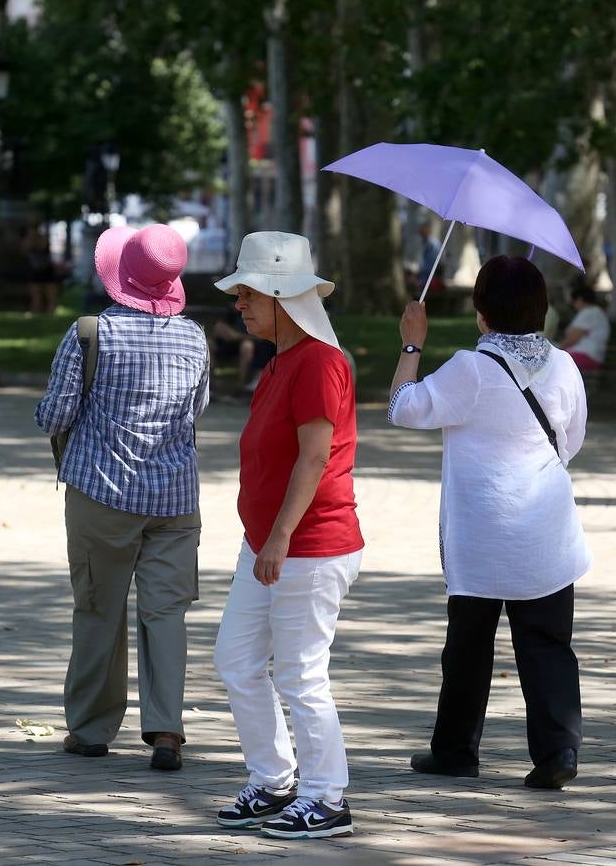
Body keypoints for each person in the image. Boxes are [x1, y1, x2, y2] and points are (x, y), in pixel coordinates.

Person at [388, 254, 590, 790]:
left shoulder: (470, 368)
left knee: (468, 650)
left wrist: (412, 342)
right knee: (548, 643)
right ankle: (557, 751)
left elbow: (404, 408)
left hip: (482, 532)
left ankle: (455, 751)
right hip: (546, 528)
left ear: (482, 313)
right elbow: (570, 443)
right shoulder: (565, 366)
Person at [35, 223, 210, 772]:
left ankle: (90, 729)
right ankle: (166, 731)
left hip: (102, 494)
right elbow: (195, 411)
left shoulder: (92, 333)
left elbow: (56, 414)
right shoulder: (195, 337)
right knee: (167, 614)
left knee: (97, 609)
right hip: (176, 500)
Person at [211, 231, 363, 840]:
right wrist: (265, 538)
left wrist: (277, 538)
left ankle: (327, 798)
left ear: (282, 296)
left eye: (249, 294)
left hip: (310, 545)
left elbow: (314, 458)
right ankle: (273, 781)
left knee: (300, 673)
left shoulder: (321, 361)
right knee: (237, 660)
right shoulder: (282, 360)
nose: (239, 305)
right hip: (271, 542)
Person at [212, 307, 276, 394]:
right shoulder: (233, 312)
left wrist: (237, 336)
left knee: (246, 346)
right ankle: (210, 386)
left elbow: (262, 337)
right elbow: (221, 327)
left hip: (253, 346)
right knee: (208, 345)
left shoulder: (259, 314)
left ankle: (241, 386)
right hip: (229, 344)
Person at [559, 286, 611, 373]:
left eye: (574, 302)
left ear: (579, 300)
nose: (574, 305)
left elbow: (572, 339)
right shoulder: (596, 312)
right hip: (590, 356)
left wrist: (558, 350)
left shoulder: (589, 313)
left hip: (585, 355)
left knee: (548, 362)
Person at [25, 224, 59, 315]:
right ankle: (35, 313)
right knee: (36, 296)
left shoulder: (42, 239)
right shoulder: (28, 241)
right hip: (35, 270)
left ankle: (50, 313)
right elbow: (24, 249)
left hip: (47, 270)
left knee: (50, 295)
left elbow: (43, 246)